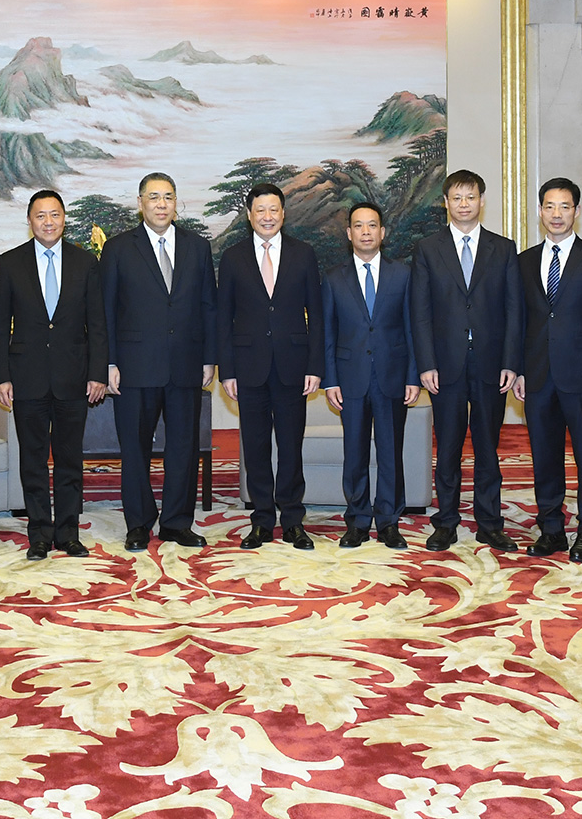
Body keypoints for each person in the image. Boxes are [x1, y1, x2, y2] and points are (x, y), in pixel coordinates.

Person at [101, 172, 217, 552]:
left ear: (176, 202)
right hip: (135, 366)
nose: (161, 204)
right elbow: (106, 311)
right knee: (134, 449)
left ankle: (176, 523)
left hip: (185, 363)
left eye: (168, 196)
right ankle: (138, 523)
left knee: (183, 448)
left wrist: (209, 358)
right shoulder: (118, 248)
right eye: (154, 197)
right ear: (140, 203)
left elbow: (208, 306)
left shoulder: (197, 247)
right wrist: (109, 362)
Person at [410, 169, 523, 553]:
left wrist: (511, 362)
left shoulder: (503, 248)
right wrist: (426, 363)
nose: (463, 204)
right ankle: (446, 522)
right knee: (449, 447)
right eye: (456, 198)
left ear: (482, 201)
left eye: (470, 197)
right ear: (446, 203)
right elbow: (420, 312)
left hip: (492, 364)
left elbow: (514, 310)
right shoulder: (428, 248)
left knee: (488, 447)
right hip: (445, 366)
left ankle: (490, 523)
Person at [0, 190, 109, 559]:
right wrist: (1, 376)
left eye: (55, 214)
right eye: (41, 215)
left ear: (64, 219)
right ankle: (40, 534)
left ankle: (68, 533)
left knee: (69, 460)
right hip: (25, 378)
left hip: (73, 377)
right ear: (30, 220)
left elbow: (97, 323)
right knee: (32, 461)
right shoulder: (10, 262)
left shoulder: (85, 261)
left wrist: (98, 373)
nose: (48, 222)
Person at [513, 178, 582, 562]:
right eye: (550, 206)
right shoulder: (524, 261)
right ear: (540, 211)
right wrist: (518, 369)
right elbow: (519, 321)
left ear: (577, 211)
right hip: (537, 375)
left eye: (565, 206)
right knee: (544, 456)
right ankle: (551, 528)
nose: (557, 214)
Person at [219, 183, 324, 551]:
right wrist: (227, 370)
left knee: (291, 446)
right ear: (249, 215)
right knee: (256, 446)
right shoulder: (232, 258)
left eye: (273, 209)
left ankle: (293, 520)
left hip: (293, 367)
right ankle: (262, 520)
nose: (267, 216)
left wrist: (315, 366)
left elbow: (317, 314)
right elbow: (223, 318)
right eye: (260, 210)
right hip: (248, 368)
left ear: (283, 213)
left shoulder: (303, 254)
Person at [321, 202, 418, 549]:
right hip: (350, 379)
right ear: (349, 233)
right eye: (359, 226)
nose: (366, 232)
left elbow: (412, 329)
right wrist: (330, 380)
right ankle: (358, 520)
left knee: (391, 452)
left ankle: (389, 521)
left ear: (383, 232)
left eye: (372, 225)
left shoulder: (402, 274)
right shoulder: (333, 277)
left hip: (392, 376)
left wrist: (413, 376)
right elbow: (327, 333)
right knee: (355, 452)